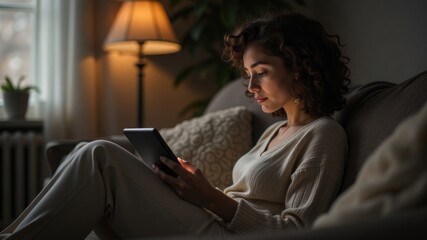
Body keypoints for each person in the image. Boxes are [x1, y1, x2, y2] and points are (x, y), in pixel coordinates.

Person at [1, 12, 351, 239]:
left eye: (260, 72)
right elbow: (241, 198)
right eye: (247, 75)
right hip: (211, 221)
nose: (250, 87)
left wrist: (210, 198)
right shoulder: (276, 131)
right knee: (98, 159)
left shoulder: (324, 136)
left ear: (300, 66)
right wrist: (191, 190)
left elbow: (300, 229)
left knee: (99, 156)